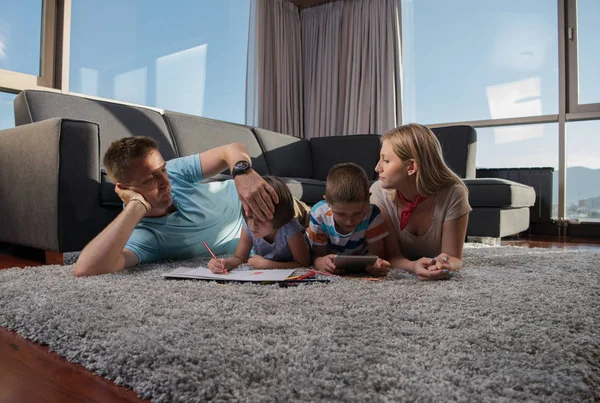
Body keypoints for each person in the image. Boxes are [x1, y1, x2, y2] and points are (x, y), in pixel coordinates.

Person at [72, 136, 281, 277]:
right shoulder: (146, 236)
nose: (165, 182)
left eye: (162, 169)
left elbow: (232, 149)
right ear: (125, 188)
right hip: (263, 237)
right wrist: (136, 205)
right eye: (150, 179)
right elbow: (85, 269)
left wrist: (242, 173)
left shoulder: (174, 170)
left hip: (265, 200)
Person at [370, 123, 472, 281]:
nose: (377, 168)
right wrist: (413, 266)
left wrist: (445, 264)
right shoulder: (378, 193)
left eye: (386, 161)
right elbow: (391, 256)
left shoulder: (454, 194)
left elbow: (454, 257)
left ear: (410, 166)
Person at [208, 176, 311, 273]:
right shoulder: (248, 225)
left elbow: (303, 263)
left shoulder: (290, 228)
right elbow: (239, 257)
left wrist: (268, 264)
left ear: (279, 218)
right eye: (249, 216)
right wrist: (225, 263)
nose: (253, 224)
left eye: (261, 218)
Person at [307, 163, 390, 276]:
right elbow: (317, 256)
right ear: (328, 202)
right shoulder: (319, 215)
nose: (349, 221)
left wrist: (377, 265)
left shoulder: (372, 214)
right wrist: (320, 262)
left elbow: (377, 255)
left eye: (357, 213)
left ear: (368, 200)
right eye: (341, 214)